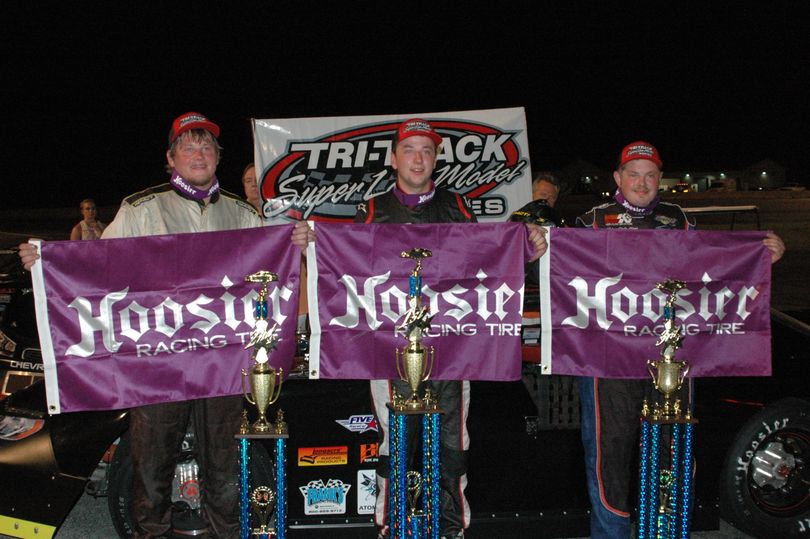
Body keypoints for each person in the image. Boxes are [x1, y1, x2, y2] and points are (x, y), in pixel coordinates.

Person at [292, 118, 546, 539]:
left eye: (427, 151)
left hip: (453, 343)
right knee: (396, 435)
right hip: (388, 345)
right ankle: (392, 524)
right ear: (394, 159)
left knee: (453, 438)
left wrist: (527, 247)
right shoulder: (370, 209)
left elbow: (487, 262)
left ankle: (450, 527)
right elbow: (345, 267)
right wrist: (312, 244)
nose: (418, 158)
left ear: (435, 159)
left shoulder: (459, 206)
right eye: (409, 149)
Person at [21, 112, 262, 539]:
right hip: (157, 363)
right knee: (151, 466)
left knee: (226, 466)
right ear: (171, 159)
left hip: (222, 361)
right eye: (188, 146)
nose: (199, 154)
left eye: (207, 147)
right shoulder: (141, 208)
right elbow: (97, 265)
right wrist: (48, 261)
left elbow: (270, 265)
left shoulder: (242, 212)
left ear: (218, 157)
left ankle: (226, 533)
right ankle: (152, 534)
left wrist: (296, 239)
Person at [575, 140, 785, 539]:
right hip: (608, 359)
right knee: (609, 453)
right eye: (633, 174)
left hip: (670, 355)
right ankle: (611, 533)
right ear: (618, 178)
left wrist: (760, 257)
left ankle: (666, 528)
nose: (642, 182)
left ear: (659, 180)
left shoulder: (678, 219)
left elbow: (714, 266)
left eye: (650, 175)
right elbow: (555, 272)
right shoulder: (592, 222)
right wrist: (535, 252)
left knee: (673, 447)